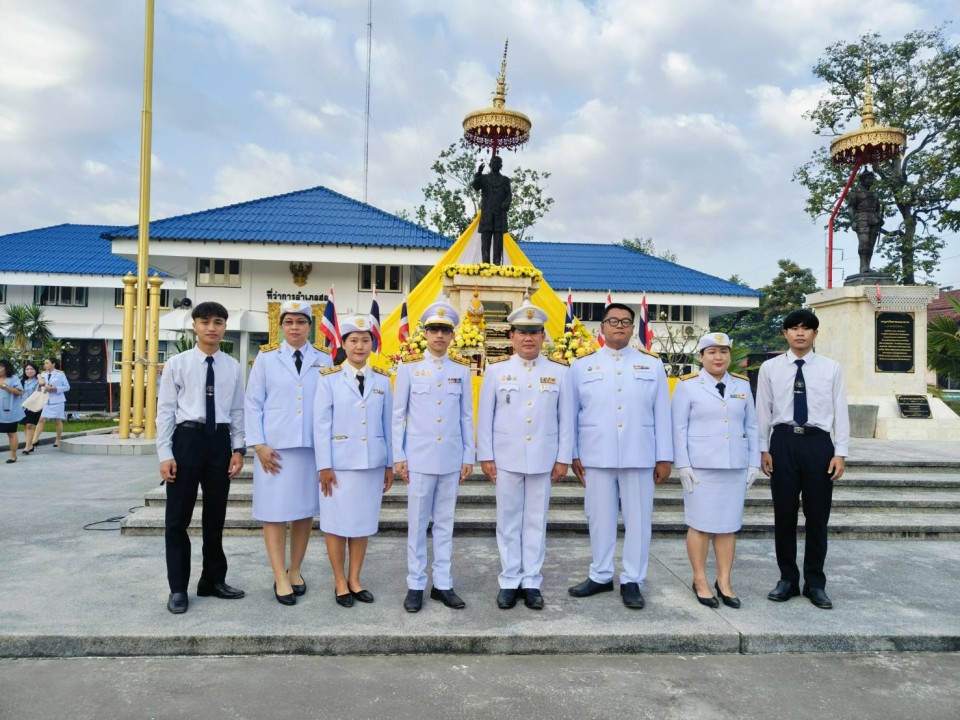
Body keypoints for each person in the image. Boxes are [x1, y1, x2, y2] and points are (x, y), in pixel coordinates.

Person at [566, 303, 672, 610]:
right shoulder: (581, 365)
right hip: (595, 455)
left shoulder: (651, 364)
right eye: (613, 321)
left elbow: (662, 413)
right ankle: (600, 574)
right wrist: (573, 453)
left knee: (639, 520)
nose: (620, 326)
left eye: (626, 321)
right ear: (601, 327)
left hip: (639, 454)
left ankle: (632, 580)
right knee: (599, 518)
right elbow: (571, 413)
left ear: (632, 327)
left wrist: (664, 457)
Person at [477, 297, 573, 610]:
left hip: (544, 459)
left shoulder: (560, 373)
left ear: (543, 337)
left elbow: (566, 419)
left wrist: (563, 458)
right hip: (506, 458)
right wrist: (486, 456)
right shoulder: (496, 370)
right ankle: (508, 580)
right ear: (512, 337)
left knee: (536, 520)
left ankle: (531, 580)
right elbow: (485, 416)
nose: (528, 338)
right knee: (507, 521)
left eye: (534, 332)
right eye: (522, 332)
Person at [156, 301, 247, 615]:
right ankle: (178, 588)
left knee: (215, 517)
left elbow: (237, 411)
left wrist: (238, 449)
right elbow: (166, 410)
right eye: (206, 321)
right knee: (177, 519)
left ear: (225, 326)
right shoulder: (178, 364)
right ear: (194, 325)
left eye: (218, 321)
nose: (212, 327)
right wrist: (165, 453)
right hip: (187, 439)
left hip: (219, 441)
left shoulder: (232, 366)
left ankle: (212, 580)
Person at [756, 309, 849, 610]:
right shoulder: (770, 369)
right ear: (784, 333)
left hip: (818, 444)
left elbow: (840, 410)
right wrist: (763, 448)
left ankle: (815, 583)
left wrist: (840, 452)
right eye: (794, 328)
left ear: (815, 334)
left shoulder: (831, 368)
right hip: (782, 442)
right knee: (784, 515)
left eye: (806, 328)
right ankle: (787, 579)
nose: (800, 333)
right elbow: (763, 411)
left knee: (817, 518)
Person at [245, 301, 332, 606]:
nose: (295, 327)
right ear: (281, 326)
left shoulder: (324, 358)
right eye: (289, 322)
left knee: (304, 511)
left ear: (310, 326)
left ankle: (294, 570)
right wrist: (258, 445)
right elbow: (253, 403)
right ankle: (279, 577)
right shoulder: (267, 359)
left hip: (310, 449)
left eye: (301, 321)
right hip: (274, 450)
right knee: (273, 512)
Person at [393, 295, 474, 613]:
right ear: (424, 334)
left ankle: (443, 583)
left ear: (453, 334)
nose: (439, 335)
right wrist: (398, 455)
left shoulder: (461, 371)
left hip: (451, 459)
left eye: (445, 330)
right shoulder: (410, 370)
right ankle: (415, 584)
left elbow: (467, 416)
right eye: (434, 329)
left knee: (445, 522)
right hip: (419, 459)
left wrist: (469, 456)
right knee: (416, 523)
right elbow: (398, 415)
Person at [671, 333, 760, 609]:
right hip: (700, 468)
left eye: (723, 352)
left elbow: (752, 427)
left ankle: (724, 581)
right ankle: (700, 579)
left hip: (734, 466)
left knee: (728, 527)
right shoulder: (687, 386)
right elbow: (678, 428)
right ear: (701, 356)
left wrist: (753, 462)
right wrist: (682, 464)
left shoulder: (742, 385)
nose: (718, 357)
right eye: (711, 352)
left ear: (729, 356)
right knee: (699, 525)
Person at [314, 315, 393, 608]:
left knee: (362, 524)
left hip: (372, 464)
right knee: (336, 524)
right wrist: (324, 465)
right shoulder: (329, 379)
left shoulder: (383, 380)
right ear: (344, 344)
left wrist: (389, 465)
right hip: (338, 466)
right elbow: (320, 425)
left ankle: (355, 579)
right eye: (354, 340)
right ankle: (339, 581)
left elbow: (388, 425)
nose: (360, 346)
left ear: (372, 343)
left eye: (365, 340)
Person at [471, 155, 512, 265]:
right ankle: (485, 261)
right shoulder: (484, 178)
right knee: (486, 238)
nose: (495, 165)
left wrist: (506, 203)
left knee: (498, 238)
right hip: (487, 213)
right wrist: (478, 173)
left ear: (501, 166)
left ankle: (497, 261)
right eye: (493, 163)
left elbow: (509, 195)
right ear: (490, 164)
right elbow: (475, 186)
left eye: (498, 163)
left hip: (499, 213)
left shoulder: (505, 180)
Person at [846, 171, 883, 274]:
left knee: (871, 244)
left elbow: (878, 208)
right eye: (868, 178)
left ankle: (868, 266)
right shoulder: (856, 192)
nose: (870, 180)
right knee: (864, 242)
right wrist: (852, 221)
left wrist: (879, 217)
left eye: (872, 178)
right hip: (861, 219)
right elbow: (851, 207)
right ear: (862, 180)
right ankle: (863, 266)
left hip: (874, 220)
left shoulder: (874, 194)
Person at [31, 357, 69, 449]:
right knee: (41, 420)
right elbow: (39, 387)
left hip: (57, 400)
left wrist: (55, 388)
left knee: (57, 421)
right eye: (44, 363)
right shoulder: (43, 374)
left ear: (53, 364)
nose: (45, 365)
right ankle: (33, 441)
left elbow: (67, 387)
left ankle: (58, 439)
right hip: (46, 400)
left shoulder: (60, 374)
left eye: (47, 363)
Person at [0, 359, 25, 464]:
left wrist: (4, 386)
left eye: (1, 367)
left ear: (6, 368)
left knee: (11, 433)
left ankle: (13, 456)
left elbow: (20, 392)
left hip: (9, 411)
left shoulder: (13, 379)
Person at [20, 362, 41, 454]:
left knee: (30, 425)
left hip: (34, 406)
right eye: (27, 369)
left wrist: (39, 375)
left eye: (31, 369)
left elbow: (43, 384)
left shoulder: (38, 380)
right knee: (25, 426)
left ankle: (27, 447)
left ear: (35, 370)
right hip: (23, 406)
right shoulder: (21, 381)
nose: (29, 371)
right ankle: (30, 445)